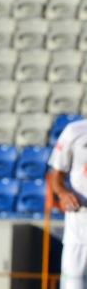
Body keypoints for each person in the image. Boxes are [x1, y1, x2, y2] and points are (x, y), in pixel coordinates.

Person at [49, 120, 87, 289]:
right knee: (73, 284)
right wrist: (63, 195)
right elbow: (57, 176)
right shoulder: (75, 131)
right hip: (79, 227)